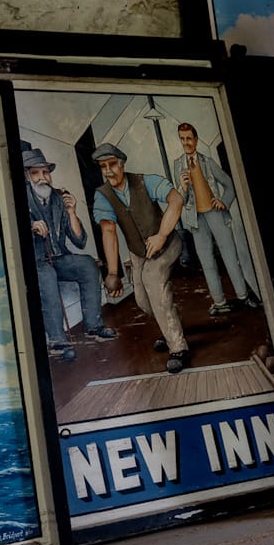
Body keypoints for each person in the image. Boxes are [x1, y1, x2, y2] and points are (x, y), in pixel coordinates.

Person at [90, 142, 190, 374]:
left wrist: (162, 235)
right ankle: (171, 329)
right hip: (139, 253)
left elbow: (176, 200)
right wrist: (113, 273)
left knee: (154, 281)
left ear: (122, 163)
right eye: (103, 167)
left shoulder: (147, 181)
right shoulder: (102, 195)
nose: (109, 171)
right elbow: (109, 232)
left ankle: (178, 347)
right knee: (144, 300)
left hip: (167, 245)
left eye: (112, 164)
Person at [24, 146, 116, 362]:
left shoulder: (57, 199)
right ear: (27, 176)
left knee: (87, 264)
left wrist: (72, 212)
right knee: (47, 276)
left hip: (58, 257)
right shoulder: (21, 200)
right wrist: (30, 225)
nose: (42, 178)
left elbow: (80, 241)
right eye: (35, 173)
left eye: (45, 172)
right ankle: (57, 341)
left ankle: (94, 326)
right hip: (35, 261)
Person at [172, 122, 262, 316]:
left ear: (195, 140)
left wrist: (224, 202)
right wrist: (184, 188)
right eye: (182, 139)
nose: (186, 142)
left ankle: (243, 296)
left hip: (215, 213)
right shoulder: (178, 165)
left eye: (189, 138)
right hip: (196, 219)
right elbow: (180, 199)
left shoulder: (208, 161)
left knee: (230, 255)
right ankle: (220, 302)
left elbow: (230, 185)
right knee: (207, 261)